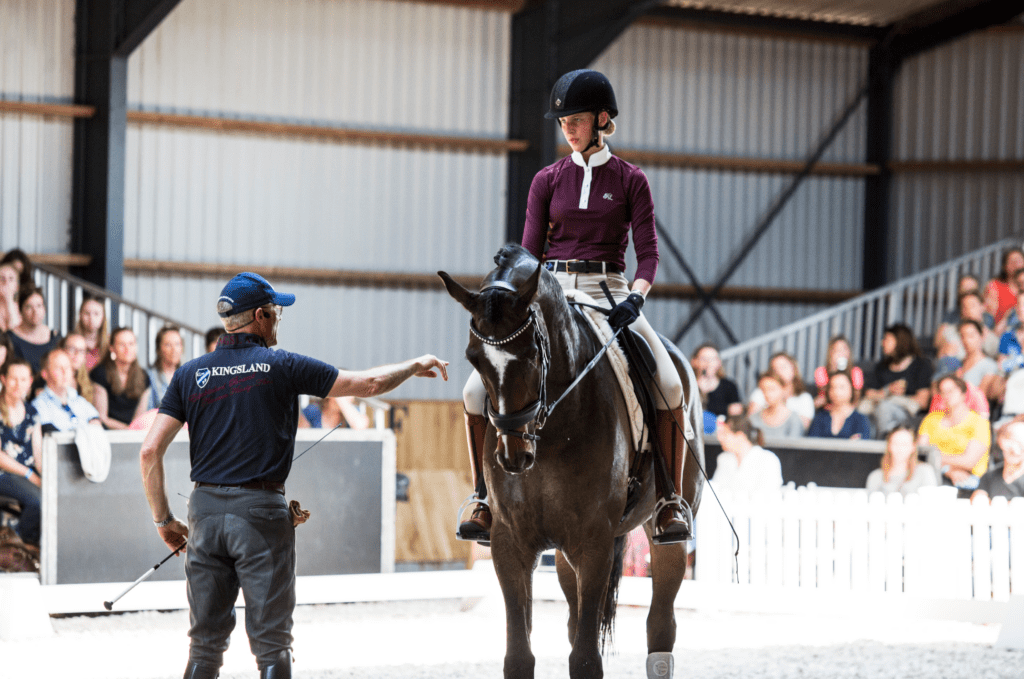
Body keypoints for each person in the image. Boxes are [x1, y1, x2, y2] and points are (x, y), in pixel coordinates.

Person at [139, 272, 448, 679]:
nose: (279, 320)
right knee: (272, 647)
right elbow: (367, 382)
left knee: (204, 647)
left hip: (204, 513)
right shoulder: (281, 365)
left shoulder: (189, 374)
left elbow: (149, 451)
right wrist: (413, 365)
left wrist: (163, 520)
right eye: (277, 312)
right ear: (262, 316)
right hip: (261, 514)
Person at [459, 69, 693, 545]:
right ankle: (483, 497)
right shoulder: (547, 180)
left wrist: (636, 296)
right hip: (551, 292)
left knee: (669, 381)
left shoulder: (631, 180)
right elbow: (527, 256)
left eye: (577, 119)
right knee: (471, 392)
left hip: (609, 290)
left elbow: (648, 252)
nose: (568, 127)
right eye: (563, 120)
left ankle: (669, 498)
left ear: (602, 120)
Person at [917, 374, 991, 492]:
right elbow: (920, 454)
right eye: (942, 391)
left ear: (963, 393)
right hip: (935, 473)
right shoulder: (931, 419)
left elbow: (969, 461)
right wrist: (947, 470)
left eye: (951, 390)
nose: (947, 395)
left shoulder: (979, 423)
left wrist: (936, 457)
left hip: (969, 478)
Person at [860, 323, 933, 437]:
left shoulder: (921, 365)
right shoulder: (882, 366)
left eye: (886, 339)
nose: (881, 343)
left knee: (884, 407)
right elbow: (869, 393)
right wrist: (888, 390)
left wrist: (898, 398)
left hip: (908, 415)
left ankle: (883, 444)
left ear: (900, 341)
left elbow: (923, 402)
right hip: (880, 408)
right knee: (862, 408)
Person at [0, 357, 42, 549]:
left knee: (54, 495)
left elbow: (38, 454)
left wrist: (47, 477)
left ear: (30, 382)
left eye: (24, 379)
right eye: (14, 379)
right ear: (3, 379)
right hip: (5, 472)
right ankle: (18, 544)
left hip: (27, 472)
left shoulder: (32, 413)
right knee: (37, 500)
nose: (19, 384)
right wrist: (30, 474)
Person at [90, 327, 152, 429]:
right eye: (122, 344)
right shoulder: (100, 373)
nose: (127, 349)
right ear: (112, 348)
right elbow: (101, 417)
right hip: (106, 433)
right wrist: (127, 430)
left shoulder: (144, 377)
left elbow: (139, 419)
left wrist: (132, 432)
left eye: (131, 344)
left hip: (133, 434)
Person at [710, 414, 783, 495]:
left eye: (724, 434)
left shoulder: (768, 460)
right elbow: (716, 489)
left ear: (740, 435)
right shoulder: (723, 458)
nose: (719, 438)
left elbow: (768, 496)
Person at [32, 348, 101, 431]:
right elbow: (52, 436)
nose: (64, 372)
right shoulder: (39, 405)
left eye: (67, 367)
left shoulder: (79, 400)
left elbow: (96, 421)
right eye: (58, 368)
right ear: (45, 374)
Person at [747, 352, 815, 429]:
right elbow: (751, 424)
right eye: (774, 369)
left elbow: (802, 429)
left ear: (794, 369)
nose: (779, 372)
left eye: (783, 367)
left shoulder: (804, 398)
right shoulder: (760, 393)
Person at [865, 425, 938, 496]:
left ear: (913, 447)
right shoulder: (875, 476)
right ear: (889, 446)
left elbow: (930, 502)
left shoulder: (925, 471)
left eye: (904, 444)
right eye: (896, 443)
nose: (900, 449)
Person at [6, 286, 60, 375]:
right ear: (20, 310)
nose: (35, 311)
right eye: (29, 307)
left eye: (39, 306)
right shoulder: (9, 338)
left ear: (44, 309)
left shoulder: (55, 336)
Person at [807, 370, 871, 439]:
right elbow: (812, 443)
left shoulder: (861, 420)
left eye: (841, 387)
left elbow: (861, 444)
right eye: (833, 387)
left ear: (851, 390)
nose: (836, 391)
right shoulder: (820, 418)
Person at [972, 421, 1024, 502]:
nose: (1015, 450)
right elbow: (977, 501)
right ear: (1001, 443)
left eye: (1021, 445)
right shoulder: (989, 476)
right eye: (1011, 442)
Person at [692, 342, 743, 418]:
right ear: (694, 362)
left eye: (713, 359)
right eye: (704, 359)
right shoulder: (688, 386)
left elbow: (737, 412)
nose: (708, 363)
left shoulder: (729, 386)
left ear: (719, 362)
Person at [812, 335, 864, 410]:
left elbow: (856, 398)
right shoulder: (821, 371)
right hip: (827, 408)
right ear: (830, 353)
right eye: (837, 350)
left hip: (849, 409)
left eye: (844, 349)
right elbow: (824, 396)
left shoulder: (856, 372)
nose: (841, 353)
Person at [749, 371, 805, 438]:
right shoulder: (753, 418)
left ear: (783, 389)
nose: (767, 394)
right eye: (763, 390)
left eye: (772, 389)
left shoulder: (794, 420)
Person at [985, 247, 1024, 326]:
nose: (1016, 264)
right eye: (1012, 261)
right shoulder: (995, 286)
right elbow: (989, 316)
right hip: (1003, 331)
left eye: (1019, 260)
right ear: (1004, 266)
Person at [147, 325, 183, 409]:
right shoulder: (150, 377)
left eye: (177, 344)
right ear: (158, 349)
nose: (174, 349)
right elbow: (147, 415)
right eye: (168, 345)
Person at [74, 294, 109, 371]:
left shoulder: (110, 343)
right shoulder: (71, 341)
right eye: (87, 313)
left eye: (96, 314)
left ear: (103, 317)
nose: (91, 318)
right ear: (80, 315)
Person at [58, 333, 95, 403]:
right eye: (72, 349)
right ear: (62, 350)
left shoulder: (85, 382)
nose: (77, 354)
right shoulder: (49, 378)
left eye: (81, 351)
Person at [299, 395, 369, 430]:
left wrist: (344, 403)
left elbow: (360, 427)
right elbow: (301, 438)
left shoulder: (353, 413)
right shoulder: (312, 411)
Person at [0, 262, 21, 332]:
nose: (6, 282)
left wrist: (9, 301)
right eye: (2, 278)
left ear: (17, 287)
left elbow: (16, 334)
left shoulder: (22, 308)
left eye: (11, 279)